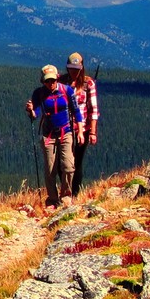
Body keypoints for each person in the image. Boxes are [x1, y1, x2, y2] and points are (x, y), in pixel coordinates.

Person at [25, 64, 82, 209]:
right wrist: (31, 111)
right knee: (50, 169)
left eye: (52, 80)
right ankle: (52, 199)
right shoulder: (39, 94)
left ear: (57, 78)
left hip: (66, 132)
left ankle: (66, 196)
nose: (50, 83)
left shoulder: (67, 91)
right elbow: (35, 114)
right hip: (48, 135)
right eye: (47, 81)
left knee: (68, 166)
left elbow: (76, 111)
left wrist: (80, 131)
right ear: (43, 81)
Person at [63, 51, 99, 193]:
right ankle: (66, 190)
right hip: (64, 128)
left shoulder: (88, 83)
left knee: (77, 162)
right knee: (64, 162)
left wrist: (93, 132)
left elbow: (93, 109)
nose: (74, 72)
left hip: (82, 130)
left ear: (81, 68)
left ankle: (75, 192)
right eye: (71, 68)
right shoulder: (61, 82)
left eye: (76, 69)